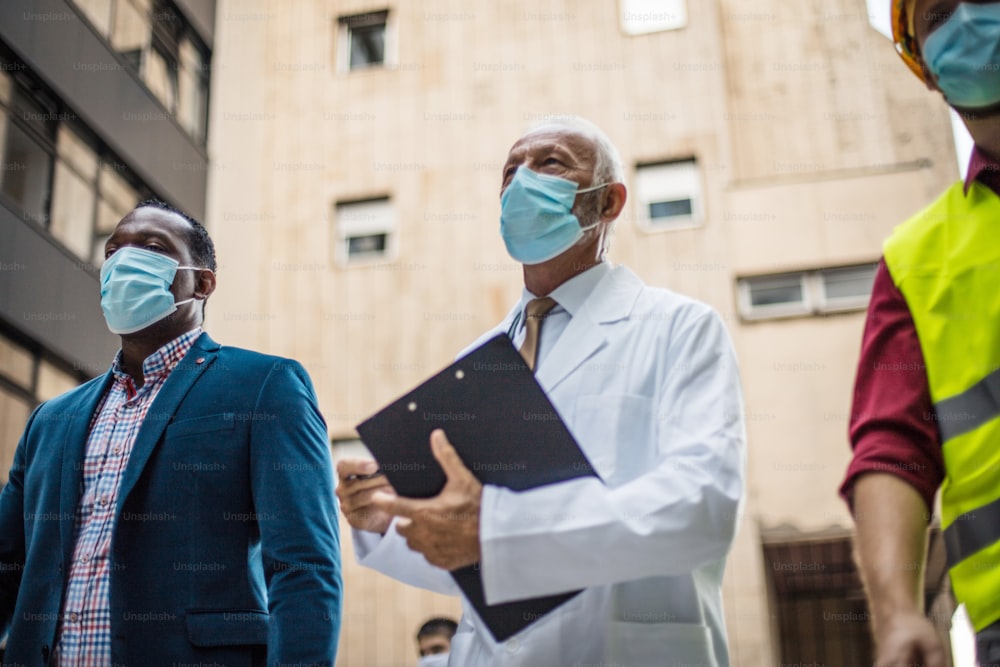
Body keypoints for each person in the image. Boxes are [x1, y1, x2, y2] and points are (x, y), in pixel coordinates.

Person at [337, 118, 746, 666]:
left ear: (609, 202)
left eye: (550, 163)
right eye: (510, 171)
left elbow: (701, 509)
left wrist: (501, 530)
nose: (521, 183)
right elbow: (476, 562)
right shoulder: (479, 358)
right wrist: (390, 517)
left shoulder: (679, 327)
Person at [0, 200, 342, 665]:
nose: (124, 262)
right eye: (113, 249)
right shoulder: (50, 420)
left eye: (152, 247)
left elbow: (303, 567)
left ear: (202, 282)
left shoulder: (266, 387)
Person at [841, 2, 1000, 666]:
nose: (966, 22)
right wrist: (897, 612)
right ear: (922, 64)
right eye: (938, 13)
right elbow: (891, 450)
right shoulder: (916, 260)